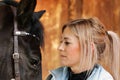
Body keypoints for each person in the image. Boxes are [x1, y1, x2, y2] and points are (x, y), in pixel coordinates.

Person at [46, 17, 120, 80]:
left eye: (67, 43)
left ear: (89, 48)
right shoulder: (52, 77)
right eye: (61, 42)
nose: (60, 48)